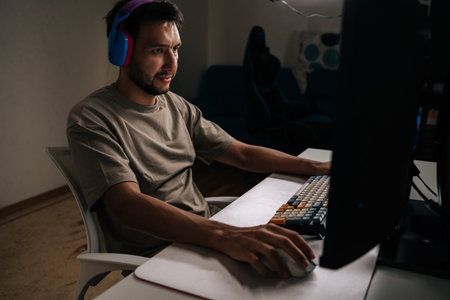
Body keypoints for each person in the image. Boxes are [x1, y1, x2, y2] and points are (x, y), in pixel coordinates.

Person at [67, 0, 331, 279]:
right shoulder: (91, 118)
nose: (171, 63)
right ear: (122, 51)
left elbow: (240, 154)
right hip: (160, 252)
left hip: (205, 231)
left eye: (175, 49)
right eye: (158, 50)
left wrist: (317, 168)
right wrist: (225, 235)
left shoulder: (177, 106)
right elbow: (127, 206)